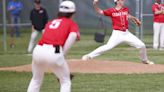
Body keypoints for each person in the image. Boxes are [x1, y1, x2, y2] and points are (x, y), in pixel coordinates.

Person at [27, 1, 80, 92]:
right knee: (65, 81)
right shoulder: (71, 23)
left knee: (36, 79)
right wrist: (62, 54)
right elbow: (73, 36)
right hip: (54, 51)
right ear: (72, 13)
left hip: (38, 50)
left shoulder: (51, 22)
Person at [82, 0, 154, 65]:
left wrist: (135, 19)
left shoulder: (125, 9)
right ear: (117, 1)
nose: (124, 1)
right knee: (108, 47)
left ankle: (144, 60)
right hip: (117, 34)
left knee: (142, 45)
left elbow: (128, 16)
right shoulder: (111, 11)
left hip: (126, 33)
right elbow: (99, 11)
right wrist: (95, 4)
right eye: (122, 0)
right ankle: (89, 56)